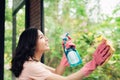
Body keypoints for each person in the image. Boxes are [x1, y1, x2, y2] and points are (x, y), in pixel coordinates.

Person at [11, 28, 111, 80]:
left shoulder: (32, 63)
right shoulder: (31, 66)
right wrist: (93, 64)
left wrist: (66, 54)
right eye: (41, 37)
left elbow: (56, 73)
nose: (46, 39)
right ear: (31, 44)